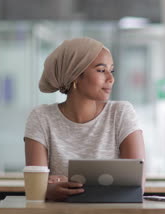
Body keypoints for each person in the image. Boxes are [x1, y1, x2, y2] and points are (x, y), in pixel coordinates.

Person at [24, 37, 145, 201]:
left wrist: (56, 187)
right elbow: (36, 187)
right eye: (101, 70)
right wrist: (47, 189)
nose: (111, 78)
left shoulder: (121, 113)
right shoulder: (41, 117)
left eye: (112, 70)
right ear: (75, 75)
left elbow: (136, 186)